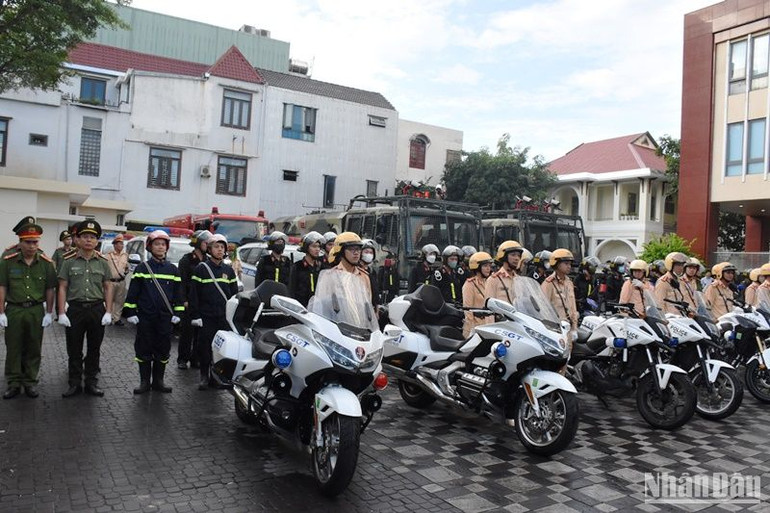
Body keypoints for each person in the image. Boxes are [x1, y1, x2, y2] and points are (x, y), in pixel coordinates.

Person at [123, 230, 184, 394]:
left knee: (163, 349)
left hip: (165, 318)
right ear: (150, 247)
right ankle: (144, 382)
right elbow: (133, 292)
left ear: (167, 248)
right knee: (144, 348)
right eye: (157, 244)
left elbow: (178, 295)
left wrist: (178, 314)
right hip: (146, 317)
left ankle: (158, 382)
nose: (160, 247)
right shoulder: (143, 268)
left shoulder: (173, 270)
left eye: (163, 244)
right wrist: (130, 312)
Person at [0, 221, 57, 399]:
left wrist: (49, 312)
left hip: (35, 310)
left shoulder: (46, 263)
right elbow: (2, 286)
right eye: (28, 242)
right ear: (20, 242)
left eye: (35, 242)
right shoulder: (8, 261)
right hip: (15, 310)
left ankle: (30, 381)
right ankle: (14, 382)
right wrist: (1, 311)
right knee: (14, 347)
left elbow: (50, 288)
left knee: (34, 347)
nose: (32, 246)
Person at [57, 220, 114, 398]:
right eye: (85, 237)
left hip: (96, 308)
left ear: (97, 241)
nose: (89, 240)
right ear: (78, 240)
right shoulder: (68, 261)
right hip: (75, 309)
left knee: (94, 348)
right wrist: (60, 312)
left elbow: (108, 287)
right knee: (74, 348)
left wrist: (109, 311)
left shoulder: (103, 262)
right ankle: (74, 383)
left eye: (92, 237)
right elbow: (62, 287)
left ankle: (91, 382)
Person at [189, 233, 238, 390]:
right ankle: (204, 376)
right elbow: (194, 294)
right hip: (206, 316)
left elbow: (234, 295)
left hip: (223, 317)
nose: (220, 250)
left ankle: (216, 377)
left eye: (222, 247)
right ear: (209, 249)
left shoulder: (229, 271)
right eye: (216, 247)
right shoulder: (201, 269)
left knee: (221, 348)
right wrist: (195, 315)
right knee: (205, 347)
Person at [177, 230, 212, 370]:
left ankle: (195, 358)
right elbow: (181, 282)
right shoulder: (186, 260)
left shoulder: (208, 261)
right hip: (189, 302)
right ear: (198, 243)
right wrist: (184, 300)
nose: (208, 246)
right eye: (206, 243)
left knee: (200, 334)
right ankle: (182, 359)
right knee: (187, 333)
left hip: (202, 303)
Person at [541, 249, 579, 331]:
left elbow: (573, 308)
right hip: (556, 329)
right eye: (566, 263)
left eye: (570, 264)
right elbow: (544, 308)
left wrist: (575, 328)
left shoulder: (569, 283)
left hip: (569, 327)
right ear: (556, 264)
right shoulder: (548, 283)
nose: (569, 266)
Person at [324, 232, 371, 297]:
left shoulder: (364, 276)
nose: (356, 253)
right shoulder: (331, 276)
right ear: (341, 251)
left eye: (358, 249)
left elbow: (367, 303)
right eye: (351, 249)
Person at [462, 251, 493, 338]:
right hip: (475, 329)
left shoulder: (488, 283)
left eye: (489, 266)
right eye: (485, 266)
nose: (488, 269)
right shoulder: (470, 284)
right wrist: (471, 332)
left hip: (489, 327)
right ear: (477, 267)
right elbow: (468, 311)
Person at [289, 231, 323, 306]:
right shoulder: (297, 267)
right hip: (301, 309)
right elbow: (291, 290)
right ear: (306, 248)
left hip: (318, 308)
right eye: (314, 246)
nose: (317, 249)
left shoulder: (321, 267)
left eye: (318, 246)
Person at [105, 234, 129, 325]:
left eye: (122, 244)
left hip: (121, 281)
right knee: (109, 300)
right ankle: (109, 317)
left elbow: (126, 267)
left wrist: (126, 270)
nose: (121, 246)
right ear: (114, 245)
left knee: (120, 301)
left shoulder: (125, 255)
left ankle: (117, 318)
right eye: (119, 244)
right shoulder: (108, 256)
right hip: (111, 281)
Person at [359, 239, 381, 306]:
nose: (369, 254)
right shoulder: (356, 270)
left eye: (371, 253)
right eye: (366, 252)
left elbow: (375, 290)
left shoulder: (372, 271)